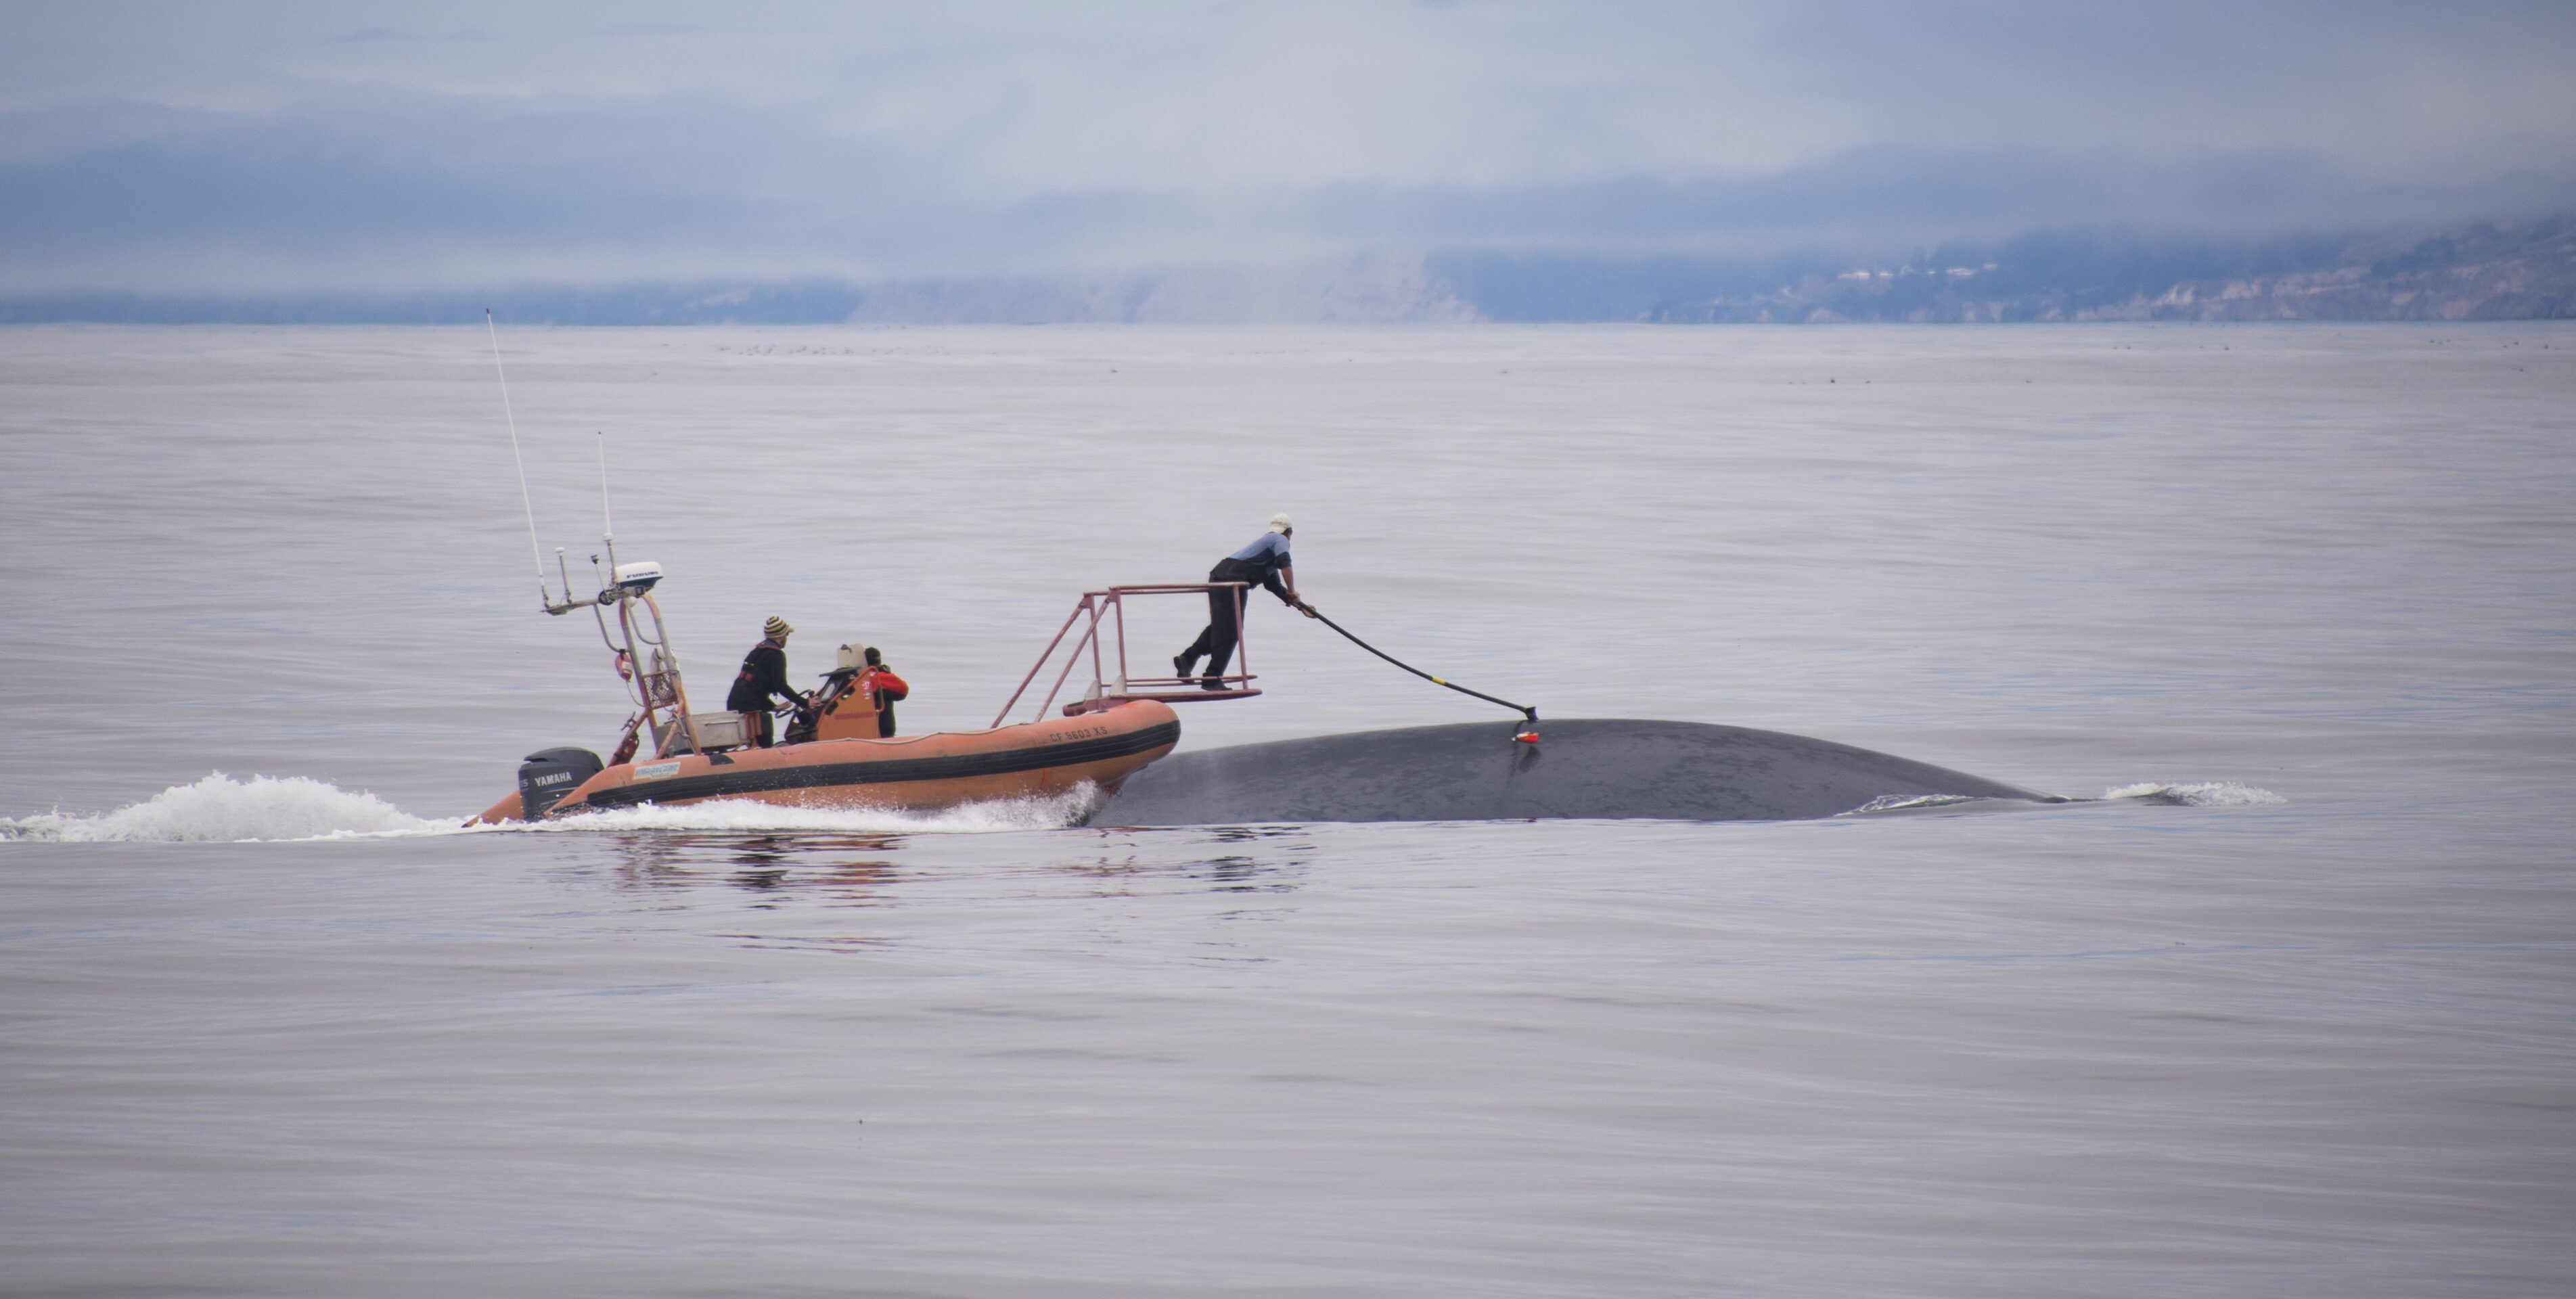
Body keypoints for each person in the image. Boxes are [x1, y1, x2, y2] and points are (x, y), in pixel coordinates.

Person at [1175, 513, 1316, 690]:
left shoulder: (1265, 552)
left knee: (1222, 627)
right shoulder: (1279, 540)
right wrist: (1292, 590)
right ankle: (1212, 677)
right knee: (1232, 631)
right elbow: (1285, 563)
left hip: (1221, 574)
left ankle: (1188, 658)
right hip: (1232, 580)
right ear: (1289, 532)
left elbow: (1273, 586)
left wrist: (1300, 607)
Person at [725, 615, 808, 747]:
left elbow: (754, 684)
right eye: (787, 635)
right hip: (751, 706)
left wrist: (772, 707)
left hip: (734, 701)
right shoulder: (776, 655)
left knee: (751, 741)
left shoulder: (756, 652)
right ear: (781, 637)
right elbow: (780, 685)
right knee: (764, 742)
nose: (787, 638)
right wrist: (805, 703)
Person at [856, 646, 909, 737]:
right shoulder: (884, 677)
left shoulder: (860, 679)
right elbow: (903, 691)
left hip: (873, 728)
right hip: (886, 727)